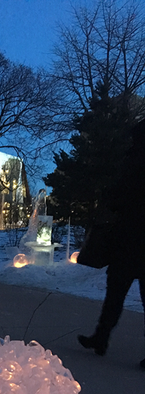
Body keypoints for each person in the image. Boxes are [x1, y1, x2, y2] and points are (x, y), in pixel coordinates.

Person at [77, 119, 145, 368]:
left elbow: (117, 196)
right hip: (133, 242)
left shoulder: (133, 162)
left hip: (127, 241)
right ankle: (100, 337)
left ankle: (101, 337)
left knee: (115, 294)